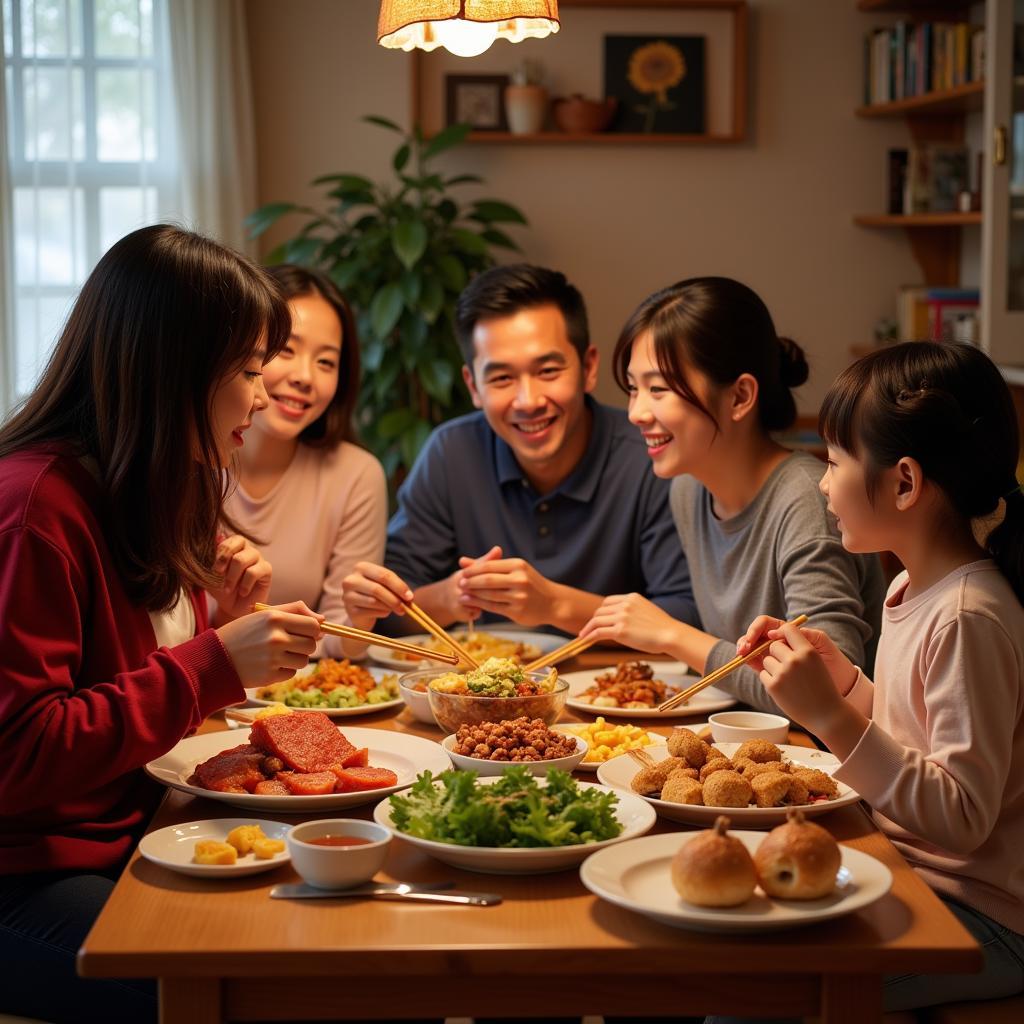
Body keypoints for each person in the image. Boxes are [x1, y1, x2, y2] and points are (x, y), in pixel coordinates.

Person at [0, 225, 324, 1024]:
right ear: (171, 371)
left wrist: (225, 625)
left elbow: (127, 684)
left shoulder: (160, 482)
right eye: (249, 371)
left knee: (338, 930)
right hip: (27, 871)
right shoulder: (32, 506)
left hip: (129, 823)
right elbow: (17, 755)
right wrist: (212, 665)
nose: (263, 395)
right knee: (274, 990)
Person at [727, 341, 1024, 1017]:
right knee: (735, 939)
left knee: (755, 986)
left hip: (985, 918)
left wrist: (833, 721)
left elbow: (962, 817)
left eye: (833, 461)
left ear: (904, 482)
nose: (823, 482)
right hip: (913, 877)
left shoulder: (967, 615)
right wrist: (846, 686)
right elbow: (915, 735)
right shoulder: (912, 589)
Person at [578, 277, 885, 714]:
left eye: (659, 389)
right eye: (633, 387)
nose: (636, 412)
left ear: (740, 396)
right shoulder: (687, 490)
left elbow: (829, 694)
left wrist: (673, 635)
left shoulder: (805, 500)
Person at [343, 263, 699, 637]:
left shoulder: (650, 453)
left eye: (547, 371)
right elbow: (387, 612)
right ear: (473, 386)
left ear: (588, 367)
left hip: (619, 690)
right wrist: (451, 597)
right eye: (502, 378)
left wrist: (555, 604)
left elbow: (685, 616)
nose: (528, 401)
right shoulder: (452, 452)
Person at [223, 264, 387, 657]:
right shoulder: (186, 459)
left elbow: (335, 639)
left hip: (298, 693)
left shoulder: (356, 474)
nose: (305, 377)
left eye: (326, 362)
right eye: (286, 350)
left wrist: (358, 621)